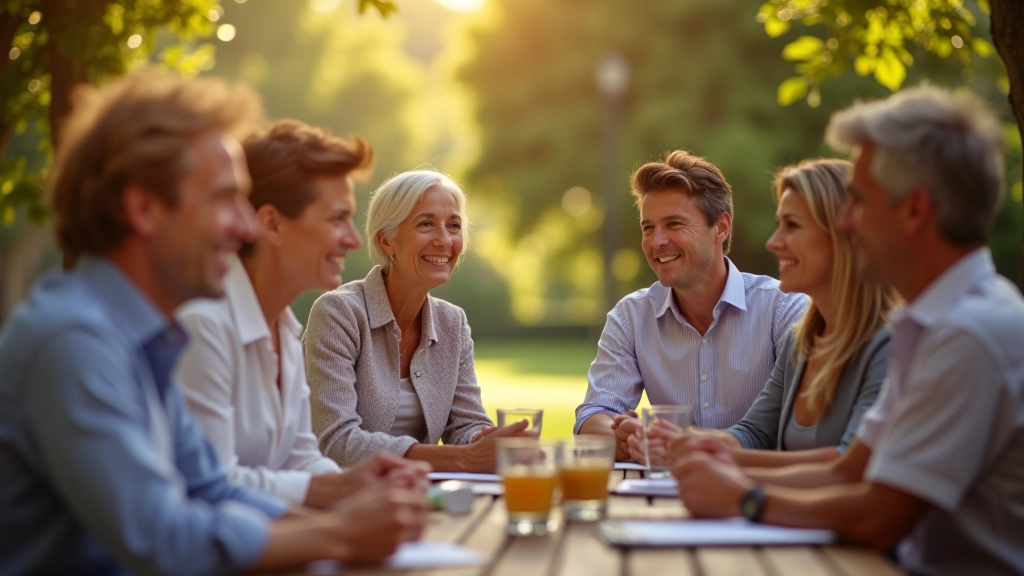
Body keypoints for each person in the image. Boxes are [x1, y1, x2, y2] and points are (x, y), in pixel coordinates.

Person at [0, 72, 426, 576]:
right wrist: (337, 533)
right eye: (224, 199)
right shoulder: (75, 341)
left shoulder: (142, 337)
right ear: (143, 208)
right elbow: (165, 540)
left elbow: (211, 489)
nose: (244, 227)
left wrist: (345, 519)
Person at [671, 85, 1024, 575]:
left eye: (857, 201)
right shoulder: (929, 325)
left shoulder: (967, 335)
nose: (848, 221)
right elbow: (848, 467)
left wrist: (745, 498)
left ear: (914, 210)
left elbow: (878, 516)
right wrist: (722, 463)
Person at [175, 120, 428, 508]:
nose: (353, 238)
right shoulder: (204, 325)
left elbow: (301, 459)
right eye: (336, 218)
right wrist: (338, 494)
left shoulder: (286, 331)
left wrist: (367, 485)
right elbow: (210, 484)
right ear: (272, 224)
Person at [653, 159, 898, 469]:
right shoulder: (803, 340)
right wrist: (683, 444)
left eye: (792, 226)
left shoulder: (890, 345)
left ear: (845, 235)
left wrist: (737, 486)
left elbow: (850, 468)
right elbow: (754, 431)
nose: (773, 242)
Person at [575, 149, 808, 461]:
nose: (657, 241)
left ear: (721, 227)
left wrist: (683, 446)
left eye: (673, 224)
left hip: (759, 492)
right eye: (648, 227)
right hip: (664, 497)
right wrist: (624, 439)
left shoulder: (784, 308)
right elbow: (594, 414)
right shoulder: (630, 316)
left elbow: (798, 429)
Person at [305, 170, 528, 472]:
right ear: (386, 242)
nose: (445, 240)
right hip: (340, 502)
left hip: (416, 496)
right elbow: (336, 442)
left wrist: (487, 440)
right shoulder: (338, 313)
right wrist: (462, 458)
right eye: (426, 224)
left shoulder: (453, 322)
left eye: (454, 225)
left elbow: (466, 424)